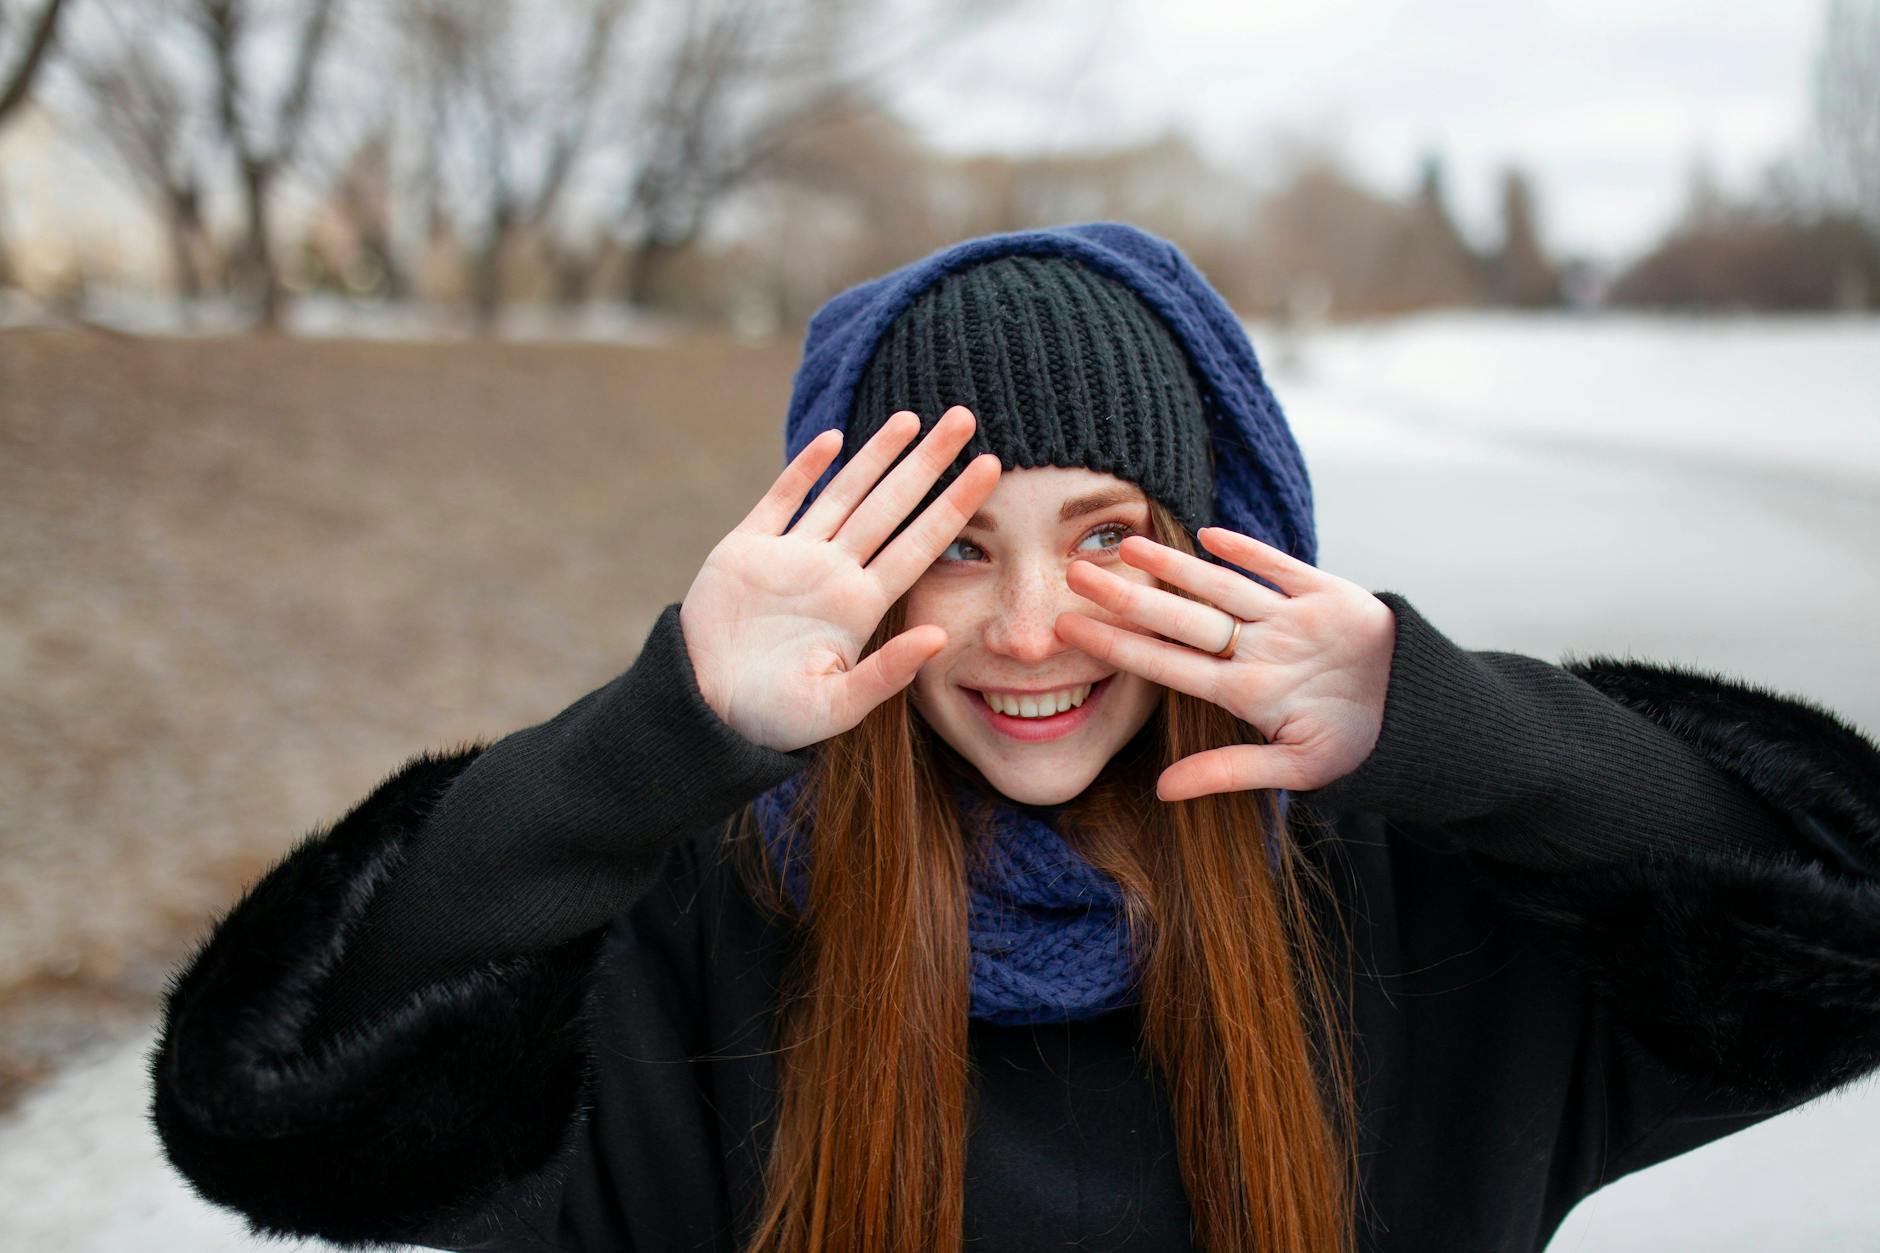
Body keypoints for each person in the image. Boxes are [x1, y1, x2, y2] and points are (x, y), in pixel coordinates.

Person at [149, 223, 1880, 1253]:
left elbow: (1842, 937)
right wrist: (656, 741)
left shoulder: (1416, 917)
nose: (1034, 624)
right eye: (955, 545)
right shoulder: (704, 937)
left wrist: (1451, 727)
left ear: (1218, 546)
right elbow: (276, 1103)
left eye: (1110, 532)